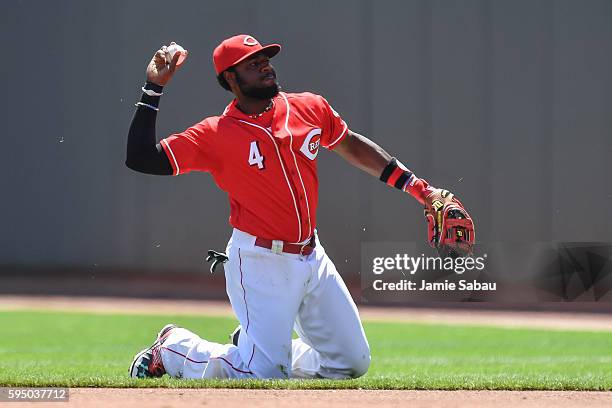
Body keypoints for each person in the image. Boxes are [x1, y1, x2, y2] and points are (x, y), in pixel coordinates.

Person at [126, 35, 474, 380]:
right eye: (253, 63)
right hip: (260, 260)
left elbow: (350, 145)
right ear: (230, 77)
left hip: (311, 255)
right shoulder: (216, 134)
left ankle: (261, 345)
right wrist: (153, 88)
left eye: (266, 58)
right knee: (260, 373)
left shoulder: (308, 107)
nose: (265, 66)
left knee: (351, 363)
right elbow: (141, 158)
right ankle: (174, 348)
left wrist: (420, 190)